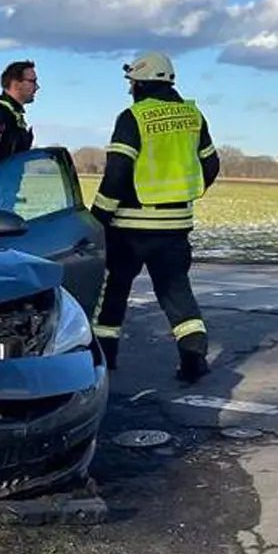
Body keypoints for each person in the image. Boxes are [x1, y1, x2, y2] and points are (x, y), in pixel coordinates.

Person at [89, 51, 220, 384]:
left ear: (141, 82)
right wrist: (184, 195)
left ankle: (104, 359)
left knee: (114, 292)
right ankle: (194, 359)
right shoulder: (193, 117)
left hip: (131, 228)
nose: (130, 88)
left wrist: (98, 217)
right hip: (175, 227)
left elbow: (117, 173)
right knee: (177, 294)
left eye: (131, 82)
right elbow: (211, 164)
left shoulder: (134, 117)